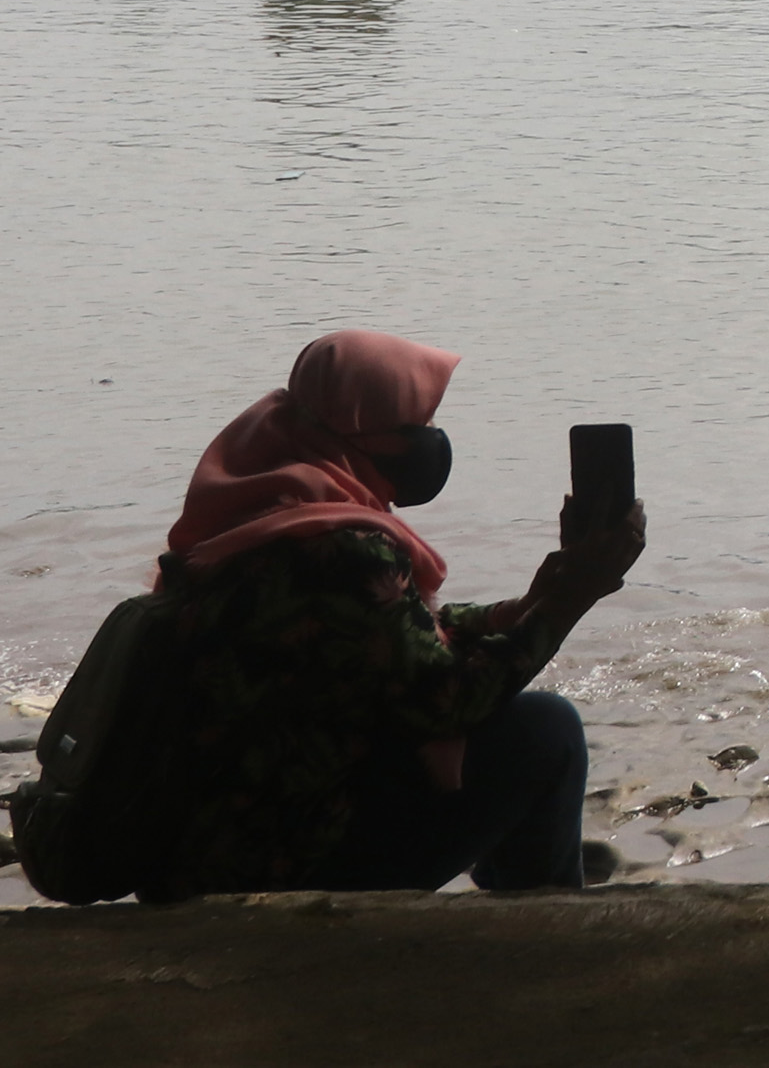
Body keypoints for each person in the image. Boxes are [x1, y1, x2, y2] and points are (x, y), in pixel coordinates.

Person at [147, 330, 644, 899]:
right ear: (355, 433)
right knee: (546, 730)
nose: (431, 442)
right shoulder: (340, 548)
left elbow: (386, 637)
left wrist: (527, 604)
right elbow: (448, 698)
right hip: (282, 864)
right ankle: (538, 922)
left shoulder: (258, 512)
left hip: (201, 847)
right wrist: (570, 601)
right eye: (415, 428)